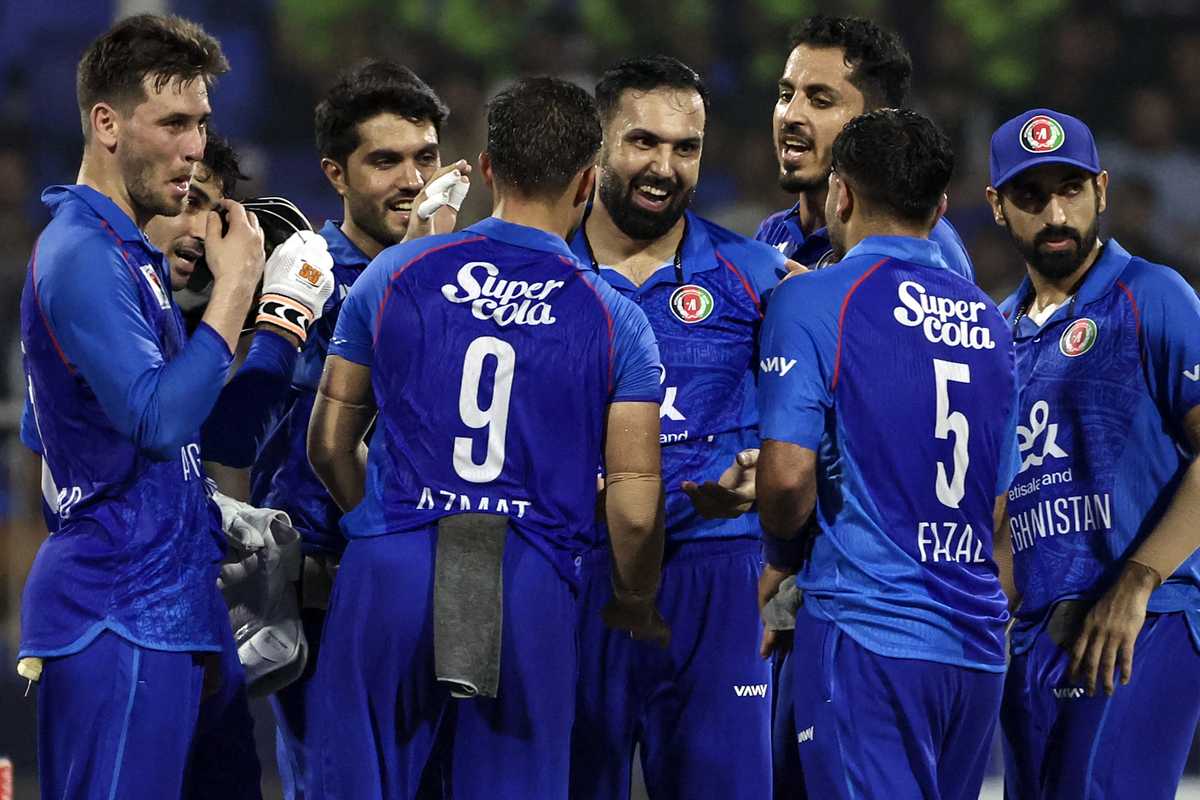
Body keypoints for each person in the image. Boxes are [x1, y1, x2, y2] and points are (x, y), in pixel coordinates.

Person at [307, 76, 667, 800]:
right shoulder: (614, 317)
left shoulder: (394, 273)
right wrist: (633, 597)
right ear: (588, 183)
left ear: (491, 168)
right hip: (526, 575)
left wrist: (380, 525)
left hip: (395, 568)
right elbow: (632, 507)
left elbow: (328, 443)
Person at [17, 15, 265, 799]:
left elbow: (46, 430)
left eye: (202, 123)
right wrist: (233, 293)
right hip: (118, 614)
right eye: (175, 123)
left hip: (177, 605)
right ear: (107, 123)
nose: (196, 147)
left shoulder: (128, 253)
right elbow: (157, 420)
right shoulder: (82, 252)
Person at [756, 109, 1018, 800]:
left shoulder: (817, 298)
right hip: (975, 649)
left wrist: (779, 564)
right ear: (939, 207)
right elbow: (997, 502)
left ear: (840, 193)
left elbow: (786, 476)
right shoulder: (992, 322)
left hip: (869, 631)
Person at [236, 58, 468, 799]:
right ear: (336, 173)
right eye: (385, 161)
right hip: (330, 602)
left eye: (426, 158)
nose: (412, 180)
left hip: (453, 593)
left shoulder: (475, 283)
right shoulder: (298, 279)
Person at [566, 55, 789, 800]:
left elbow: (835, 421)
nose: (664, 167)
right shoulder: (540, 277)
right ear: (597, 144)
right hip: (573, 571)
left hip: (717, 578)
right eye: (642, 143)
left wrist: (778, 475)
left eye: (685, 148)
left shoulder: (760, 278)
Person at [988, 108, 1200, 800]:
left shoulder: (1152, 296)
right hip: (1032, 639)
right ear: (996, 206)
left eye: (1070, 189)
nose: (1055, 212)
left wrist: (1137, 580)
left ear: (1102, 190)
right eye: (1030, 194)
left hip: (1146, 617)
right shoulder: (992, 336)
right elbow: (1005, 506)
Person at [756, 15, 974, 281]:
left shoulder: (924, 242)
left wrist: (815, 302)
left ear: (875, 123)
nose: (790, 115)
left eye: (820, 101)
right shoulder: (772, 234)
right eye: (786, 96)